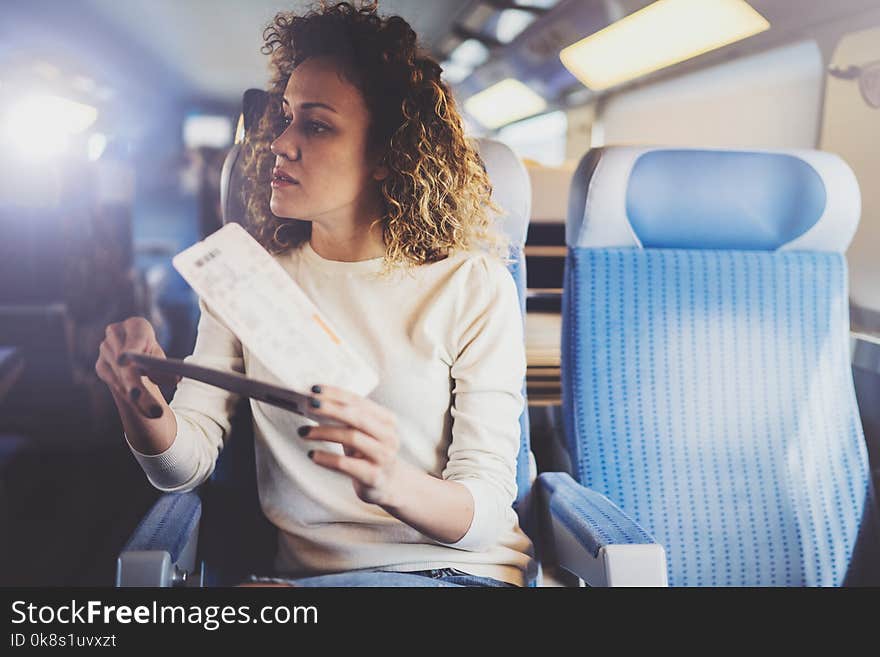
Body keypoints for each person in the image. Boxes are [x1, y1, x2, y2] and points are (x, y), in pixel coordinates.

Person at [95, 0, 535, 587]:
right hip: (311, 588)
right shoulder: (247, 279)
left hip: (460, 575)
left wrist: (390, 480)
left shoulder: (472, 286)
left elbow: (483, 514)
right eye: (284, 117)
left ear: (386, 155)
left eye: (317, 124)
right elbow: (183, 465)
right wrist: (140, 402)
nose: (281, 142)